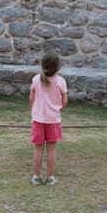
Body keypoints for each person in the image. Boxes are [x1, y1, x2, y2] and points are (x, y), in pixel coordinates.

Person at [29, 51, 68, 185]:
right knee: (51, 149)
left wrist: (35, 110)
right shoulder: (61, 81)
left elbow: (31, 99)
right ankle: (50, 177)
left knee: (38, 149)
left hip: (38, 120)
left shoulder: (35, 79)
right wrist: (58, 109)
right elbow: (64, 101)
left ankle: (37, 177)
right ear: (58, 67)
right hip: (53, 120)